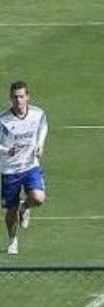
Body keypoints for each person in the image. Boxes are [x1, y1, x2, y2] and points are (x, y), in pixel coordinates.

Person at [0, 81, 49, 255]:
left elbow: (43, 125)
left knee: (39, 198)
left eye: (21, 96)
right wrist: (6, 150)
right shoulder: (3, 120)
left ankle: (25, 206)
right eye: (15, 97)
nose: (18, 100)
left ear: (27, 96)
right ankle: (13, 240)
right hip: (10, 171)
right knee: (10, 210)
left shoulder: (37, 114)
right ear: (10, 98)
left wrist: (40, 145)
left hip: (30, 166)